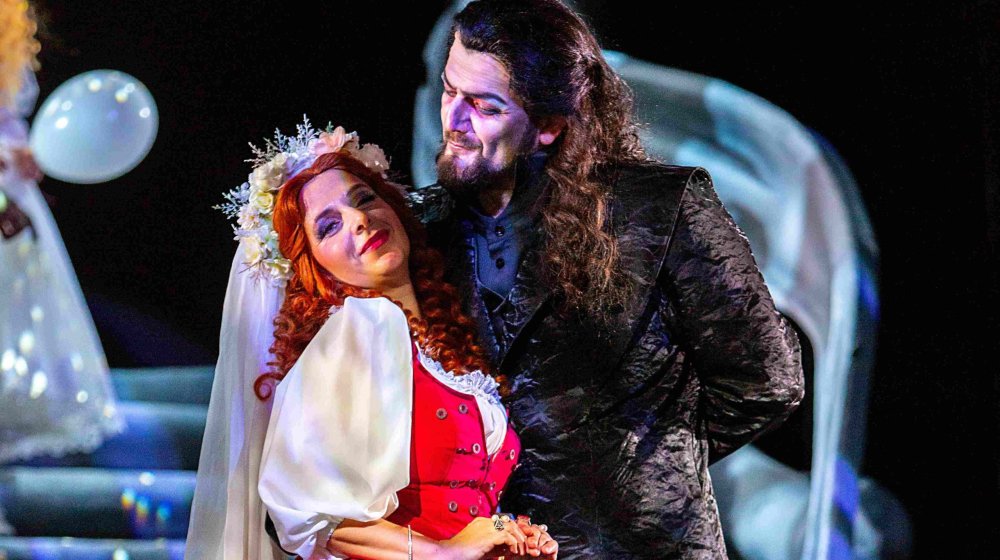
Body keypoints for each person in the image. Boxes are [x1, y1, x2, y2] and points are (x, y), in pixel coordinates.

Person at [421, 1, 807, 558]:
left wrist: (648, 463)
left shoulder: (661, 210)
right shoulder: (424, 228)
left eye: (484, 106)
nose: (454, 121)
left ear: (549, 126)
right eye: (449, 91)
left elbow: (768, 381)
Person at [185, 122, 558, 560]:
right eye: (329, 226)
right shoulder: (360, 327)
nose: (359, 221)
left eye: (363, 199)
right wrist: (441, 553)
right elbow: (309, 513)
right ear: (314, 267)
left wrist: (506, 532)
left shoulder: (441, 346)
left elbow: (465, 508)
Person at [0, 0, 122, 468]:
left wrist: (22, 152)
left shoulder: (11, 31)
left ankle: (19, 403)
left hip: (10, 188)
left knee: (20, 299)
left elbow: (9, 120)